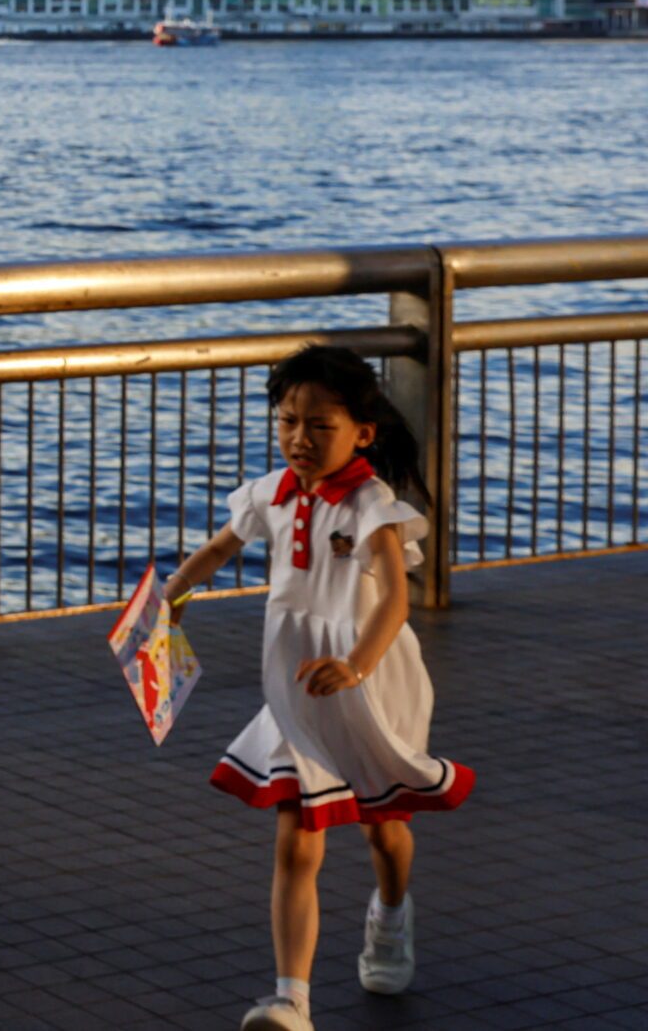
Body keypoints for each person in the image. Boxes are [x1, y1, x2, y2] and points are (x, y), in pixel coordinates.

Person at [163, 345, 473, 1031]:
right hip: (297, 684)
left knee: (384, 828)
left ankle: (391, 913)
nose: (299, 438)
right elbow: (222, 545)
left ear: (363, 431)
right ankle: (290, 997)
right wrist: (176, 589)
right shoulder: (271, 492)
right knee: (297, 833)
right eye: (287, 422)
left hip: (371, 678)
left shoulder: (372, 505)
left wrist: (358, 664)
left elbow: (395, 600)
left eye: (319, 425)